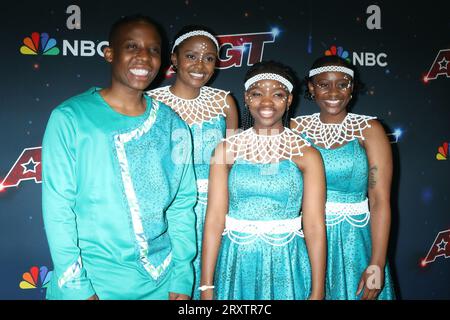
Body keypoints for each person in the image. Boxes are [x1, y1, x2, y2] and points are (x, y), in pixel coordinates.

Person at [41, 15, 197, 300]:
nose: (144, 57)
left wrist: (182, 275)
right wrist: (78, 289)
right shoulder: (70, 118)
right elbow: (58, 209)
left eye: (153, 50)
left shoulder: (174, 125)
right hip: (93, 283)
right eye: (132, 46)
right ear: (109, 54)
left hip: (161, 283)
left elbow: (182, 204)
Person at [200, 61, 326, 300]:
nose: (267, 102)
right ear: (246, 98)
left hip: (287, 263)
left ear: (289, 100)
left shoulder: (308, 155)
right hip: (236, 262)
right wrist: (206, 286)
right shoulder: (225, 150)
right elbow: (214, 219)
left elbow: (314, 226)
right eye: (257, 94)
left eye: (277, 94)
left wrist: (317, 291)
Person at [290, 55, 395, 300]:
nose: (334, 92)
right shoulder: (295, 128)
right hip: (306, 239)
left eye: (343, 84)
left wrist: (377, 263)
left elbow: (379, 201)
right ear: (312, 88)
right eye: (324, 84)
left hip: (355, 242)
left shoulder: (370, 129)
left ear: (352, 88)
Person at [147, 25, 238, 299]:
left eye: (209, 58)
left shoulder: (225, 102)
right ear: (174, 59)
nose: (201, 65)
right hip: (169, 210)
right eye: (191, 56)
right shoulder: (151, 102)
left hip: (217, 207)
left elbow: (232, 161)